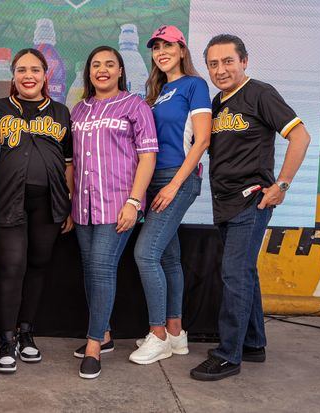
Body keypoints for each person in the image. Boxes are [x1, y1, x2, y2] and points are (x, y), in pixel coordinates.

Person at [190, 34, 310, 381]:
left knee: (234, 275)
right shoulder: (217, 103)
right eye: (213, 63)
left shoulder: (260, 93)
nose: (221, 69)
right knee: (244, 274)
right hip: (223, 203)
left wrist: (282, 185)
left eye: (228, 61)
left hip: (251, 200)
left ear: (244, 61)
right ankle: (253, 343)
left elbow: (300, 136)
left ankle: (228, 354)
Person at [70, 46, 157, 379]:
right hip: (83, 207)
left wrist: (134, 202)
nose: (102, 70)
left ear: (121, 70)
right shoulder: (78, 110)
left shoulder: (135, 105)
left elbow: (147, 156)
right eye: (95, 65)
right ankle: (103, 333)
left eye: (110, 64)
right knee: (91, 271)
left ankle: (93, 346)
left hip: (118, 205)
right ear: (88, 72)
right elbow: (72, 162)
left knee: (103, 268)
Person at [0, 48, 73, 373]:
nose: (28, 76)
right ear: (13, 75)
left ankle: (26, 332)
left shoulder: (62, 112)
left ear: (45, 74)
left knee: (37, 266)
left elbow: (69, 164)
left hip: (48, 203)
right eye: (21, 70)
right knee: (11, 267)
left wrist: (69, 204)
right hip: (6, 199)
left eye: (35, 69)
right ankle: (5, 339)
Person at [128, 25, 211, 365]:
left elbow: (202, 140)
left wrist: (175, 184)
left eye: (168, 45)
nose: (161, 51)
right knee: (167, 258)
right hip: (155, 179)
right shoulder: (158, 91)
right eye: (156, 47)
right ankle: (176, 334)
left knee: (145, 254)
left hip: (176, 178)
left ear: (181, 50)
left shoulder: (195, 85)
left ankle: (158, 334)